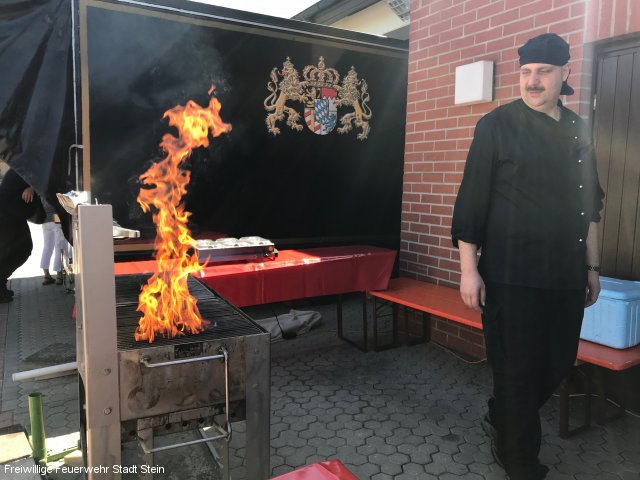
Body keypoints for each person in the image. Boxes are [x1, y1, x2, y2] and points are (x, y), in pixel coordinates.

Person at [451, 33, 604, 480]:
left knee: (556, 364)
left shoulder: (578, 129)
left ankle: (501, 413)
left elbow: (590, 206)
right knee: (517, 370)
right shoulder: (496, 125)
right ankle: (519, 461)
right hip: (510, 275)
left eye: (544, 71)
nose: (532, 80)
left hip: (565, 275)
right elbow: (471, 203)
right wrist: (468, 272)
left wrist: (593, 268)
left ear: (565, 73)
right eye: (526, 72)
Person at [0, 167, 41, 303]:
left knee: (23, 249)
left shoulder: (25, 169)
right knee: (7, 253)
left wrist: (32, 187)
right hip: (6, 217)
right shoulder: (22, 169)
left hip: (15, 217)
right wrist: (32, 188)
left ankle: (1, 284)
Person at [40, 201, 70, 285]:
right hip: (56, 218)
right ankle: (59, 276)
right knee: (58, 248)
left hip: (45, 220)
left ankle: (46, 276)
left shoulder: (40, 193)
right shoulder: (53, 192)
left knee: (47, 248)